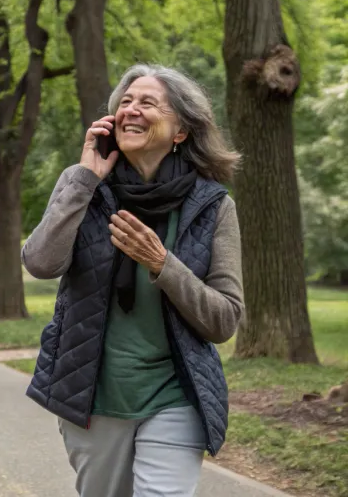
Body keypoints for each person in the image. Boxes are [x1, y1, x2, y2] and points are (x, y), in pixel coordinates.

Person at [21, 64, 244, 497]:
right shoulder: (83, 184)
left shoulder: (213, 206)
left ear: (180, 130)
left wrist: (163, 264)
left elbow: (224, 320)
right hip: (93, 396)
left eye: (147, 102)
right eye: (125, 102)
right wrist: (85, 179)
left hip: (175, 394)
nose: (131, 110)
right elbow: (41, 263)